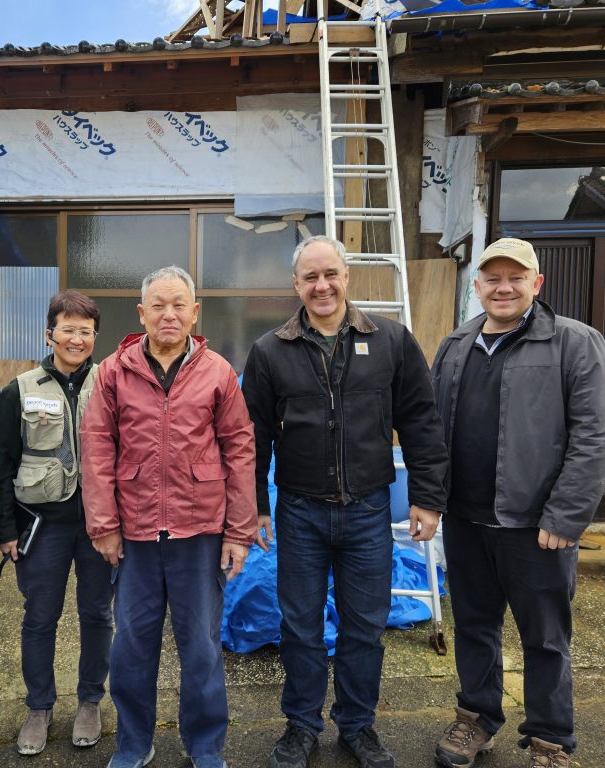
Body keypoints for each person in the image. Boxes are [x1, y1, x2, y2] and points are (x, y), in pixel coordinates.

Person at [242, 235, 448, 768]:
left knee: (364, 626)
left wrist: (426, 497)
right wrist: (254, 508)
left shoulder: (391, 341)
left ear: (347, 276)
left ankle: (357, 725)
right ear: (296, 285)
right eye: (310, 277)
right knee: (300, 626)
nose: (322, 285)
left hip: (368, 512)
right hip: (300, 512)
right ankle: (302, 726)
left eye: (330, 273)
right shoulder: (270, 351)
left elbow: (421, 422)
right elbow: (252, 437)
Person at [430, 238, 605, 768]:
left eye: (516, 277)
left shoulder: (575, 343)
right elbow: (431, 430)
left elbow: (597, 435)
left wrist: (565, 515)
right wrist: (430, 499)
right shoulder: (456, 345)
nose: (503, 287)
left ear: (536, 284)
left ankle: (549, 739)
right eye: (492, 278)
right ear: (478, 287)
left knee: (544, 638)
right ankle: (476, 719)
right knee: (473, 625)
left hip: (537, 527)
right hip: (466, 520)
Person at [81, 265, 257, 768]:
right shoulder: (115, 371)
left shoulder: (218, 372)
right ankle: (134, 743)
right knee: (132, 647)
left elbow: (240, 450)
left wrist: (239, 532)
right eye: (158, 305)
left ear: (194, 312)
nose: (169, 314)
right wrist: (105, 526)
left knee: (200, 647)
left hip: (199, 530)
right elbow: (96, 447)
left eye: (179, 304)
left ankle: (205, 747)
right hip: (134, 533)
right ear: (141, 313)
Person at [0, 291, 113, 755]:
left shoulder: (112, 382)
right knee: (40, 618)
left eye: (85, 331)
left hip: (101, 525)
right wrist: (6, 530)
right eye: (68, 329)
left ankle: (90, 702)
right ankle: (39, 708)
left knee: (98, 614)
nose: (77, 339)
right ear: (50, 334)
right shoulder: (19, 389)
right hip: (40, 526)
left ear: (93, 337)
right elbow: (3, 464)